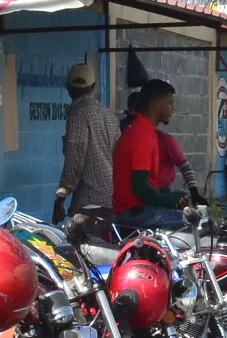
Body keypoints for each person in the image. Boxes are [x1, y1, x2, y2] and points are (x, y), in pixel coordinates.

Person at [111, 79, 187, 230]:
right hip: (137, 213)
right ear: (156, 103)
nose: (173, 108)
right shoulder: (142, 136)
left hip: (137, 210)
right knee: (197, 225)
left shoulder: (141, 129)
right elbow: (140, 187)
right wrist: (169, 199)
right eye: (170, 103)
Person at [54, 62, 120, 220]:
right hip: (111, 196)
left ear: (68, 88)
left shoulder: (78, 114)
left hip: (90, 201)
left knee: (83, 244)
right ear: (93, 86)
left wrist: (60, 198)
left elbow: (74, 159)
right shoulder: (108, 114)